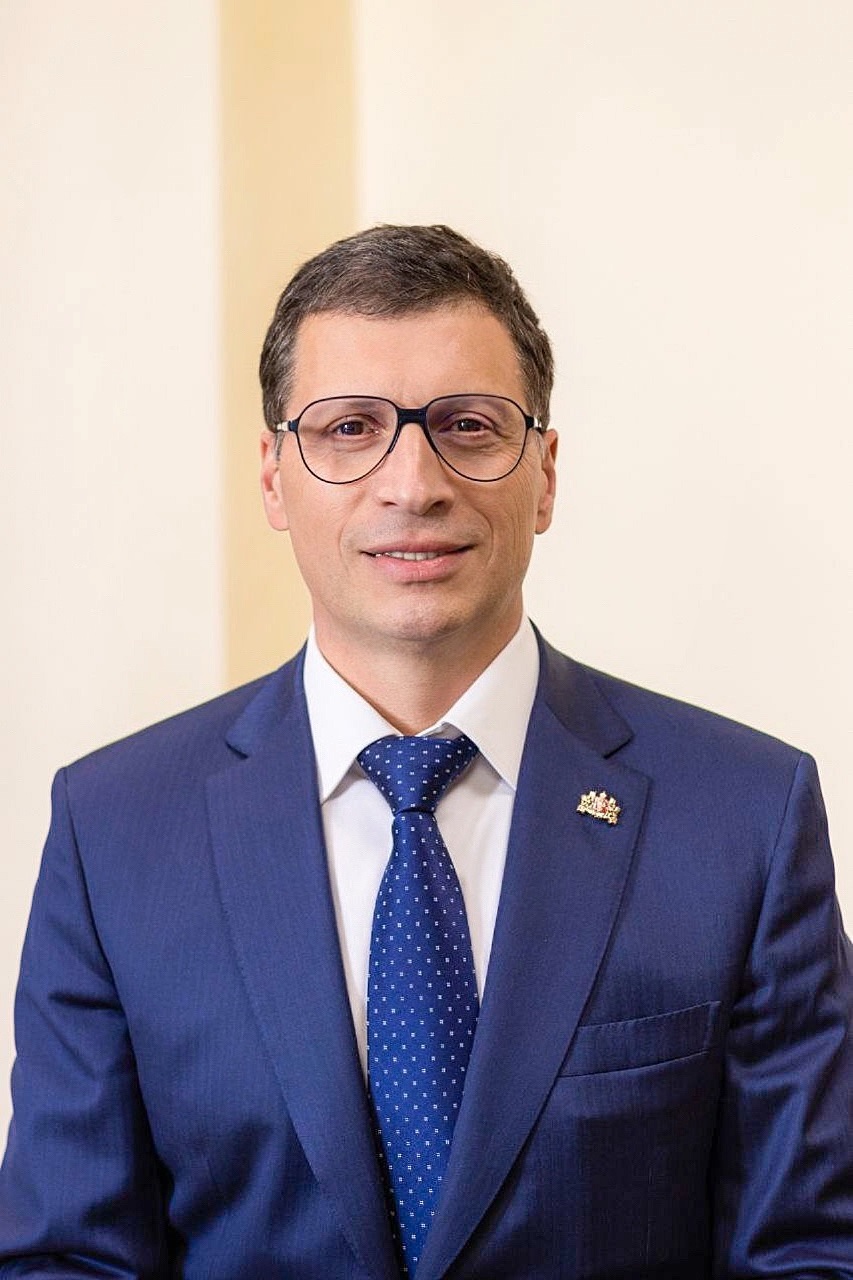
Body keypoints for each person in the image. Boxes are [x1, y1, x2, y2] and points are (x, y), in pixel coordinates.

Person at [0, 224, 851, 1279]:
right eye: (350, 428)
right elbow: (68, 1260)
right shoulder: (115, 829)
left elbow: (809, 1250)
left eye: (468, 426)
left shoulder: (743, 817)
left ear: (545, 473)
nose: (412, 482)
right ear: (273, 477)